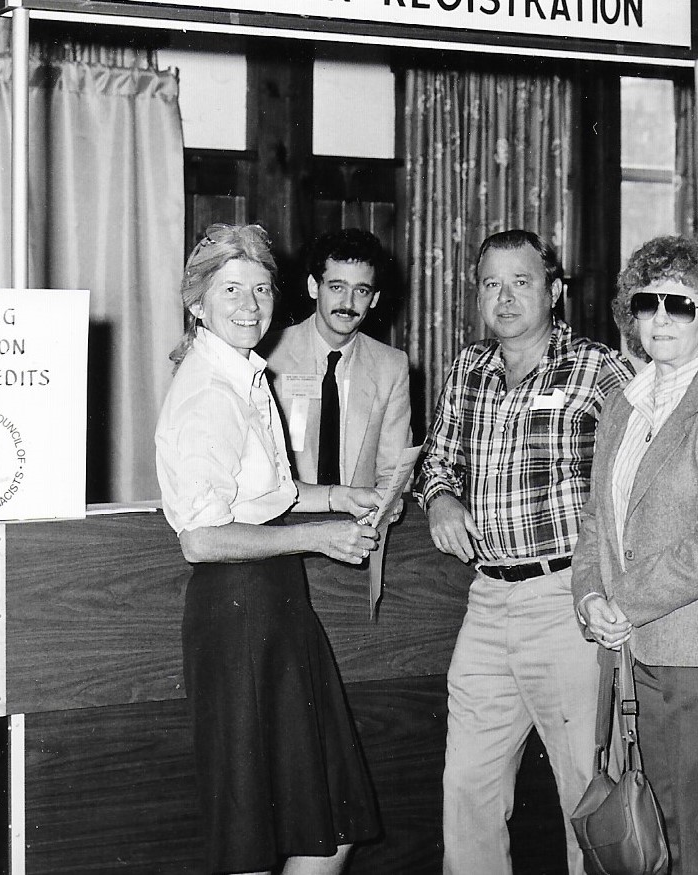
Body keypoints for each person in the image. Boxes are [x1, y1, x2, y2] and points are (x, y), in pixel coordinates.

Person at [155, 223, 383, 875]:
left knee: (328, 821)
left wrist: (338, 496)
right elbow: (200, 538)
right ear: (197, 302)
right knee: (257, 832)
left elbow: (268, 493)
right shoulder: (206, 391)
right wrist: (320, 535)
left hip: (276, 603)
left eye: (260, 289)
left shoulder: (244, 375)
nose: (251, 304)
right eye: (232, 289)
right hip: (237, 610)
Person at [415, 229, 634, 875]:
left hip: (566, 601)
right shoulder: (468, 369)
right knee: (467, 790)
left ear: (555, 289)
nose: (505, 297)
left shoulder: (599, 369)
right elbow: (438, 460)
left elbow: (642, 477)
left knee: (585, 793)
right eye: (491, 283)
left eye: (522, 281)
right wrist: (439, 498)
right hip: (486, 602)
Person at [571, 236, 698, 875]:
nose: (659, 317)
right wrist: (587, 599)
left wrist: (620, 601)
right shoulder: (621, 404)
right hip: (636, 654)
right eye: (646, 302)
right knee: (653, 848)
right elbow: (597, 524)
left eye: (679, 305)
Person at [264, 228, 413, 494]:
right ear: (313, 287)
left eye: (362, 291)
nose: (348, 302)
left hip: (358, 524)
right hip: (285, 521)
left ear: (375, 298)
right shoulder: (269, 356)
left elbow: (394, 473)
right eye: (337, 287)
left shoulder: (391, 367)